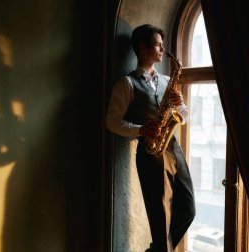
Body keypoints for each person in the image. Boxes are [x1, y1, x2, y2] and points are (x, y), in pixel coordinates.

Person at [106, 24, 195, 252]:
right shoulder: (126, 84)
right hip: (150, 153)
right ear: (142, 48)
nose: (162, 48)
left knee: (188, 209)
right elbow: (112, 122)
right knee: (160, 218)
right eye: (157, 44)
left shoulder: (167, 80)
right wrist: (141, 129)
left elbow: (183, 116)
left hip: (173, 148)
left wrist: (180, 105)